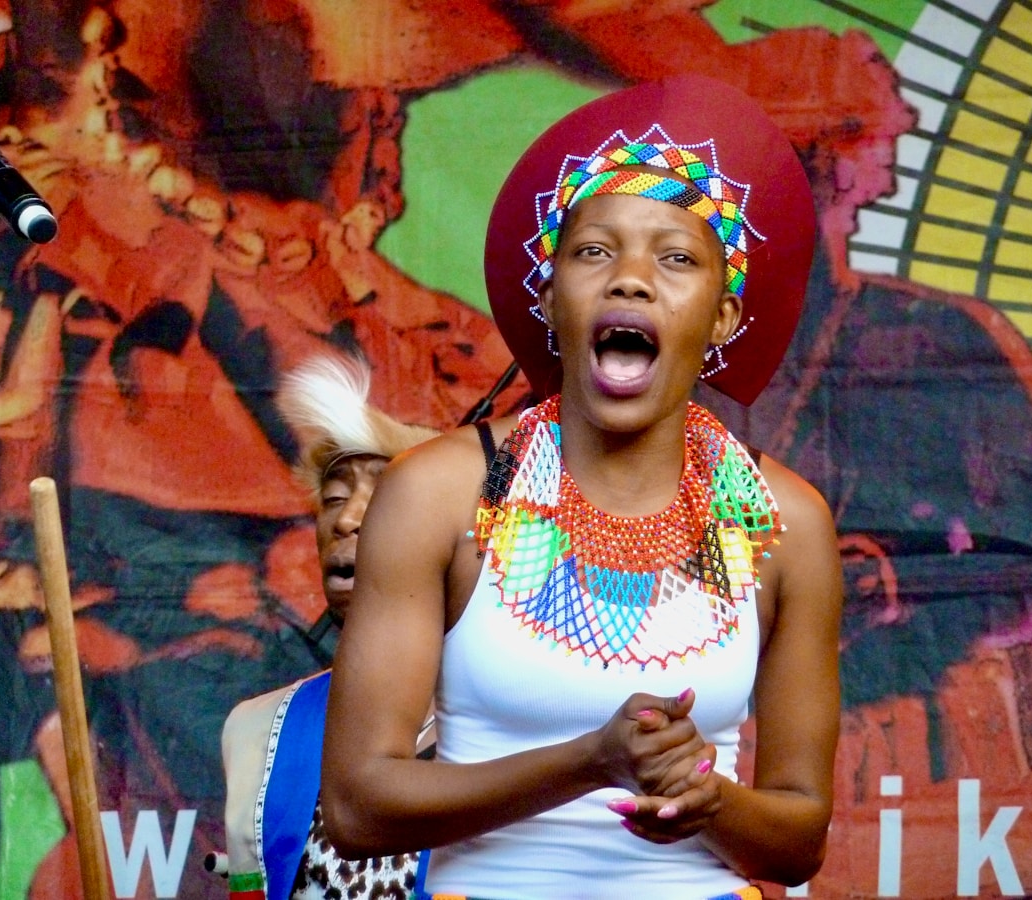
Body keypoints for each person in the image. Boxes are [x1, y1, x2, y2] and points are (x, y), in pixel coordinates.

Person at [321, 75, 843, 897]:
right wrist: (591, 762)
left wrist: (714, 803)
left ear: (722, 320)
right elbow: (357, 807)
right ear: (549, 296)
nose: (631, 279)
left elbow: (798, 839)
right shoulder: (445, 492)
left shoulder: (785, 522)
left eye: (676, 259)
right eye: (594, 251)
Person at [220, 352, 437, 900]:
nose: (345, 519)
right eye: (334, 499)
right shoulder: (257, 733)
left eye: (386, 494)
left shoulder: (514, 726)